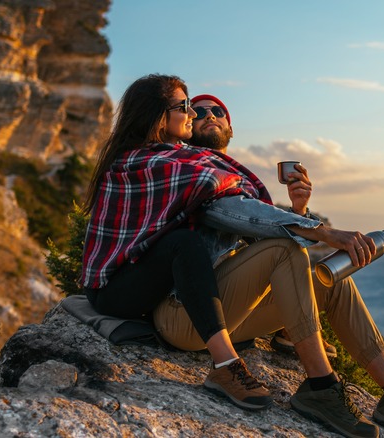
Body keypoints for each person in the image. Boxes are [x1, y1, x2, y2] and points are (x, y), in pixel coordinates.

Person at [151, 93, 384, 437]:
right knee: (286, 250)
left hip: (228, 317)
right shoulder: (188, 168)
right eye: (197, 111)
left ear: (230, 127)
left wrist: (298, 210)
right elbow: (233, 214)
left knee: (333, 280)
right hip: (184, 316)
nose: (208, 115)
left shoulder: (239, 179)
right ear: (186, 126)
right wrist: (325, 232)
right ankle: (320, 387)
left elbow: (259, 250)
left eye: (218, 111)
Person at [80, 74, 275, 411]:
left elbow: (212, 181)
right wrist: (228, 180)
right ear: (158, 115)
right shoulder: (137, 161)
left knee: (183, 240)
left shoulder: (176, 155)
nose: (192, 114)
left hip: (146, 274)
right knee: (183, 242)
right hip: (112, 291)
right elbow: (209, 181)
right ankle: (226, 366)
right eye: (185, 107)